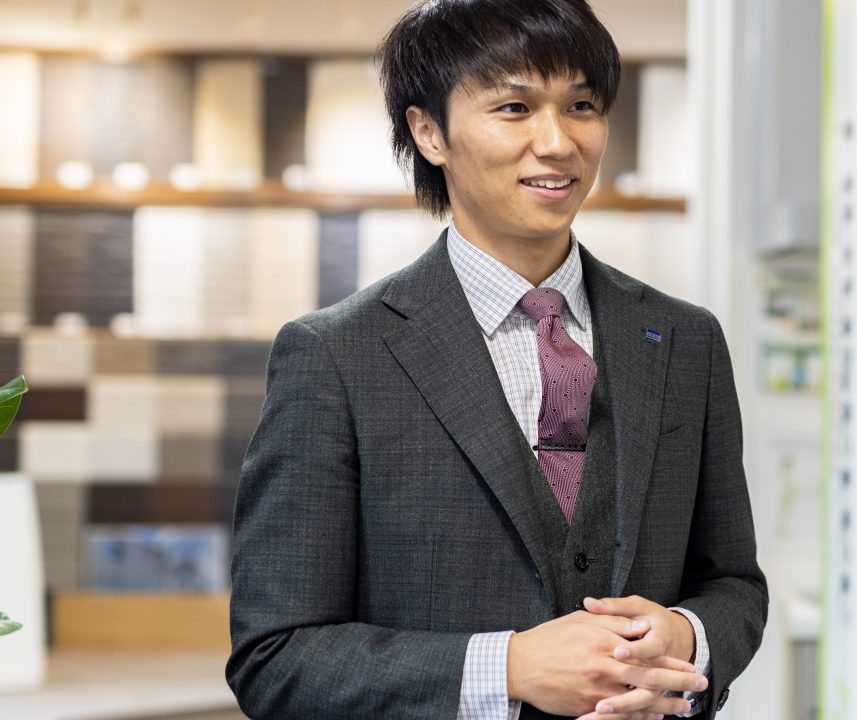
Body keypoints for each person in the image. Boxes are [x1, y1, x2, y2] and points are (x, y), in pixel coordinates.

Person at [224, 1, 767, 718]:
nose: (558, 142)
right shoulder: (336, 356)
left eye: (581, 105)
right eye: (515, 107)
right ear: (429, 132)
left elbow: (733, 584)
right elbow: (276, 657)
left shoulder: (685, 340)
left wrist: (687, 637)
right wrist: (505, 667)